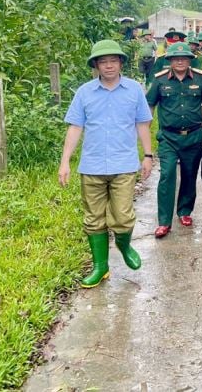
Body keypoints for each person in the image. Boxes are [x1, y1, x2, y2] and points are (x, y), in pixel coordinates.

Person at [59, 39, 153, 288]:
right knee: (93, 218)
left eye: (113, 60)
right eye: (103, 61)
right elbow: (75, 127)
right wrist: (65, 161)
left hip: (124, 164)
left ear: (121, 63)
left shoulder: (134, 90)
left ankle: (123, 244)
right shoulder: (84, 93)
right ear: (96, 65)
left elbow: (142, 124)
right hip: (92, 166)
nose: (109, 66)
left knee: (122, 216)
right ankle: (100, 266)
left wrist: (148, 155)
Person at [146, 42, 202, 238]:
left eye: (184, 58)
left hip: (194, 135)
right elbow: (150, 106)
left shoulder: (200, 79)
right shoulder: (160, 81)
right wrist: (145, 132)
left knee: (189, 174)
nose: (180, 61)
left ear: (189, 60)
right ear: (169, 60)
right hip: (168, 136)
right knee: (167, 175)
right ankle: (164, 221)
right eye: (176, 58)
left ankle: (184, 211)